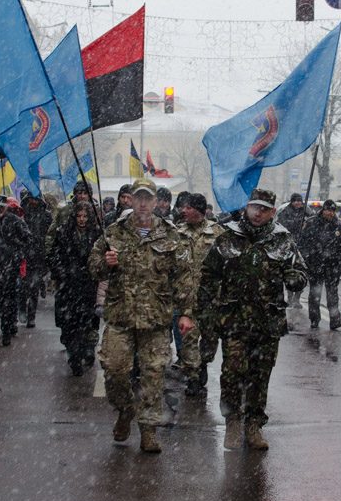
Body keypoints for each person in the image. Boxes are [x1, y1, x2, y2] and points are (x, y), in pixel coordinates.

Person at [89, 178, 193, 454]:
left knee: (153, 375)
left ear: (156, 202)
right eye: (139, 198)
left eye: (148, 198)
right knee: (114, 370)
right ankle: (125, 409)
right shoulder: (114, 232)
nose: (144, 203)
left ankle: (148, 430)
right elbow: (93, 267)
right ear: (131, 200)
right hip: (120, 316)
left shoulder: (170, 235)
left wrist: (186, 313)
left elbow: (184, 277)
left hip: (156, 319)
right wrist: (105, 263)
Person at [197, 188, 307, 450]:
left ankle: (254, 425)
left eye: (264, 209)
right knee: (232, 373)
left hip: (267, 322)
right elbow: (208, 276)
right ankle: (233, 422)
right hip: (233, 321)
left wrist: (295, 278)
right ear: (247, 207)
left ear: (272, 212)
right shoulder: (228, 238)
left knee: (260, 375)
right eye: (254, 207)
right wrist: (207, 314)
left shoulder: (283, 240)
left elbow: (300, 273)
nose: (258, 213)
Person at [176, 192, 221, 397]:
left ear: (199, 211)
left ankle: (203, 364)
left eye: (189, 207)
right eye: (183, 207)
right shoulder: (177, 233)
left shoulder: (217, 233)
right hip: (186, 298)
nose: (184, 211)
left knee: (210, 339)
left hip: (211, 298)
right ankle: (193, 377)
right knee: (188, 339)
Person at [49, 200, 101, 376]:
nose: (82, 219)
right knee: (70, 324)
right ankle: (74, 357)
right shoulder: (63, 232)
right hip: (68, 286)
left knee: (88, 322)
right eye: (79, 216)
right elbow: (54, 255)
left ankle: (88, 348)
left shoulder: (96, 234)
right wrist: (62, 272)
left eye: (85, 216)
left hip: (88, 286)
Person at [300, 199, 341, 330]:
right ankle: (314, 319)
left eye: (332, 211)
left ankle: (335, 319)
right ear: (323, 210)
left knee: (332, 293)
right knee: (315, 293)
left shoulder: (340, 225)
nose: (330, 213)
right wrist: (307, 258)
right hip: (315, 264)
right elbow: (303, 242)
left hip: (332, 265)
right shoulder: (311, 223)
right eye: (328, 210)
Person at [0, 196, 31, 349]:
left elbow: (28, 238)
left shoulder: (14, 220)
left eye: (2, 206)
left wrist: (15, 247)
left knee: (8, 299)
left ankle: (7, 328)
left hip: (10, 266)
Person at [20, 192, 53, 328]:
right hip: (23, 256)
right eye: (31, 199)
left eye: (35, 199)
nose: (33, 201)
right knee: (22, 287)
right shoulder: (22, 214)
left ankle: (31, 316)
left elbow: (50, 235)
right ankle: (22, 309)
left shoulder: (46, 216)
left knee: (34, 288)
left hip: (39, 256)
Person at [276, 193, 311, 308]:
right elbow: (282, 227)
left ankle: (297, 298)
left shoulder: (307, 212)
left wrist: (306, 224)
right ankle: (290, 297)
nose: (297, 203)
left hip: (303, 248)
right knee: (290, 274)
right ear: (291, 202)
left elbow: (312, 225)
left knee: (302, 274)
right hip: (289, 248)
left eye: (299, 200)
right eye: (295, 201)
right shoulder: (285, 212)